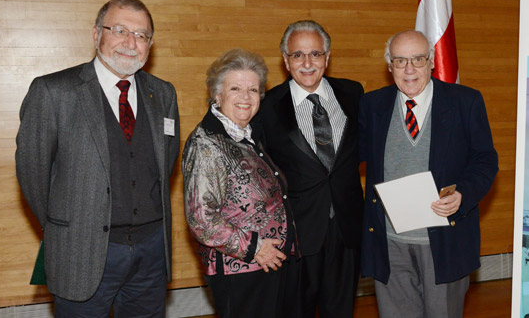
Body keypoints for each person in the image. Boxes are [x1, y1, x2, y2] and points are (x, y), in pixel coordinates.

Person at [15, 0, 180, 316]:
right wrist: (67, 226)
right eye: (119, 30)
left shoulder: (163, 94)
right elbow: (33, 174)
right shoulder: (54, 92)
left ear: (150, 44)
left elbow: (165, 164)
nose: (130, 43)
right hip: (82, 253)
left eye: (141, 35)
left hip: (151, 254)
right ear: (96, 35)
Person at [359, 30, 499, 317]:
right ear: (389, 66)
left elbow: (485, 160)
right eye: (400, 61)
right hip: (390, 244)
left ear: (432, 62)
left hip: (444, 242)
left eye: (418, 59)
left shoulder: (465, 101)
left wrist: (463, 194)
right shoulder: (372, 105)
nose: (409, 69)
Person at [254, 20, 364, 317]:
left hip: (346, 231)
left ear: (327, 57)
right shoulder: (267, 106)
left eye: (315, 54)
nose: (307, 63)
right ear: (285, 59)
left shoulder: (353, 94)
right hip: (296, 235)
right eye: (297, 55)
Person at [182, 49, 297, 318]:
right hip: (241, 269)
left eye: (253, 90)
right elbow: (202, 220)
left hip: (266, 265)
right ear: (217, 94)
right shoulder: (207, 144)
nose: (245, 97)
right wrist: (255, 248)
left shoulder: (247, 134)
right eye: (235, 88)